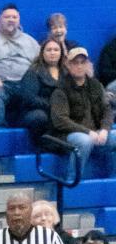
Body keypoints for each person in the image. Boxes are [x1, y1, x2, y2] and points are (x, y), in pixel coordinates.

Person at [49, 46, 116, 176]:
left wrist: (104, 129)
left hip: (95, 133)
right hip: (67, 135)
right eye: (75, 63)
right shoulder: (60, 89)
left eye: (82, 62)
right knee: (84, 140)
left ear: (87, 64)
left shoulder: (96, 85)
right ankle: (72, 180)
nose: (79, 66)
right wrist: (88, 132)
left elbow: (107, 111)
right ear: (68, 65)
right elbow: (60, 121)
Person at [12, 38, 65, 146]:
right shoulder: (33, 72)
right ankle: (43, 145)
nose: (52, 53)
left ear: (61, 53)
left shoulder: (67, 72)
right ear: (42, 53)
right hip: (34, 112)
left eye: (56, 50)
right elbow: (29, 98)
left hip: (62, 112)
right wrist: (52, 106)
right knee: (40, 116)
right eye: (49, 50)